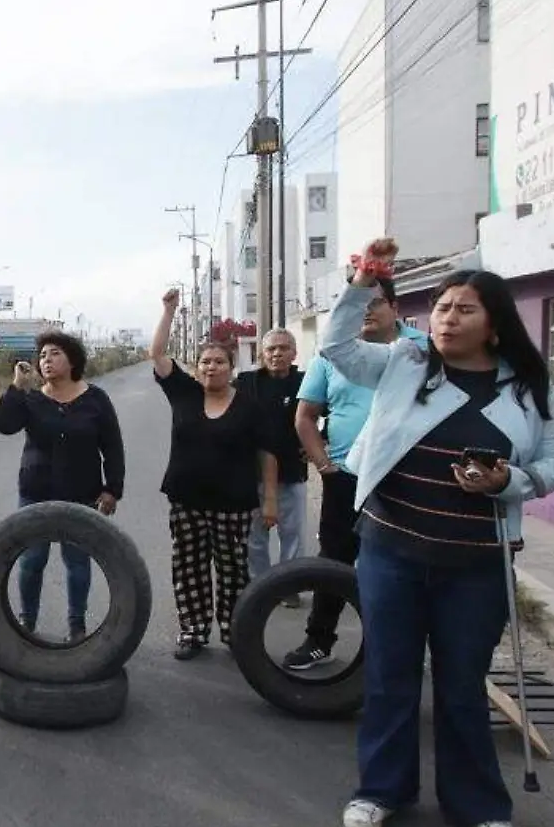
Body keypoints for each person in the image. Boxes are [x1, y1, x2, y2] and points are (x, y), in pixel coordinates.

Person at [324, 238, 554, 827]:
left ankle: (479, 805)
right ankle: (382, 790)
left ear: (494, 323)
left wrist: (509, 481)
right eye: (440, 308)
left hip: (478, 563)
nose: (446, 318)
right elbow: (335, 348)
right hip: (391, 551)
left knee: (462, 684)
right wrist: (362, 280)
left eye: (463, 309)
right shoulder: (404, 363)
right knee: (390, 676)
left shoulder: (528, 386)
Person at [286, 276, 429, 671]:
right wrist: (325, 467)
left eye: (376, 302)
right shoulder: (330, 357)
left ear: (395, 308)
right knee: (334, 561)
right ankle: (319, 640)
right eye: (359, 302)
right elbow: (305, 418)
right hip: (345, 478)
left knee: (399, 567)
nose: (367, 309)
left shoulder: (422, 352)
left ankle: (391, 653)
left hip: (405, 481)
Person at [150, 288, 275, 660]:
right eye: (205, 361)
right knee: (188, 568)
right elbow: (156, 354)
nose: (211, 367)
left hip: (233, 504)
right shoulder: (184, 393)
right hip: (186, 501)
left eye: (219, 361)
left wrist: (269, 499)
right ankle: (193, 630)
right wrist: (169, 310)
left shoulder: (250, 405)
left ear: (231, 367)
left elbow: (267, 453)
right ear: (196, 367)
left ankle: (236, 633)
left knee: (234, 571)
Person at [0, 329, 126, 642]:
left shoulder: (96, 399)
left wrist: (112, 489)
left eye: (54, 353)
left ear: (72, 359)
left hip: (81, 494)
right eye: (42, 355)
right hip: (35, 494)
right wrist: (16, 387)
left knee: (77, 561)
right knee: (31, 560)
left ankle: (76, 626)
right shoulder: (32, 398)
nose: (46, 360)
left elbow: (113, 447)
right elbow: (3, 425)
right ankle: (27, 622)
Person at [234, 328, 308, 582]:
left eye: (283, 348)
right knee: (254, 537)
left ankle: (289, 585)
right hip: (251, 473)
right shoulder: (246, 383)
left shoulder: (306, 382)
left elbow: (331, 412)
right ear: (262, 354)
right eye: (271, 349)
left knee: (293, 534)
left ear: (294, 353)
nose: (277, 353)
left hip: (292, 472)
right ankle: (261, 585)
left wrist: (318, 443)